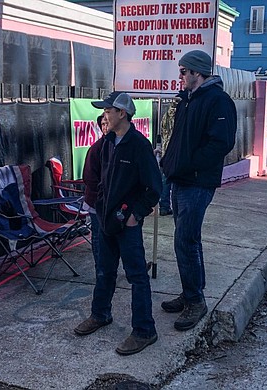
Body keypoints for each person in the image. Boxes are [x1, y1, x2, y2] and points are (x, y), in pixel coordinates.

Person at [74, 91, 162, 355]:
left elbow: (154, 188)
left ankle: (145, 330)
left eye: (108, 111)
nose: (104, 116)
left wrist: (136, 214)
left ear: (122, 113)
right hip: (105, 220)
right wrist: (101, 208)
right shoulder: (107, 143)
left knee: (136, 276)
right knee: (104, 270)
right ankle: (100, 314)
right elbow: (101, 181)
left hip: (128, 224)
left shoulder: (139, 145)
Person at [159, 50, 237, 331]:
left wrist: (190, 166)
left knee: (185, 240)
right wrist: (169, 160)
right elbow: (176, 138)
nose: (179, 77)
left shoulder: (218, 101)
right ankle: (190, 292)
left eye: (183, 72)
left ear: (197, 73)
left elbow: (221, 144)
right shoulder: (186, 101)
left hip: (197, 182)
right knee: (188, 240)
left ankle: (196, 300)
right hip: (180, 179)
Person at [82, 114, 109, 269]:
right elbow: (89, 178)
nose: (105, 127)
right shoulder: (96, 148)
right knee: (98, 237)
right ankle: (101, 269)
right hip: (97, 202)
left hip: (114, 202)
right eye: (103, 124)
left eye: (107, 123)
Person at [156, 99, 179, 216]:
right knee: (175, 181)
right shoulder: (180, 115)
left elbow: (163, 130)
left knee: (165, 180)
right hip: (175, 152)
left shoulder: (166, 116)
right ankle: (173, 206)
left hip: (166, 152)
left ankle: (164, 206)